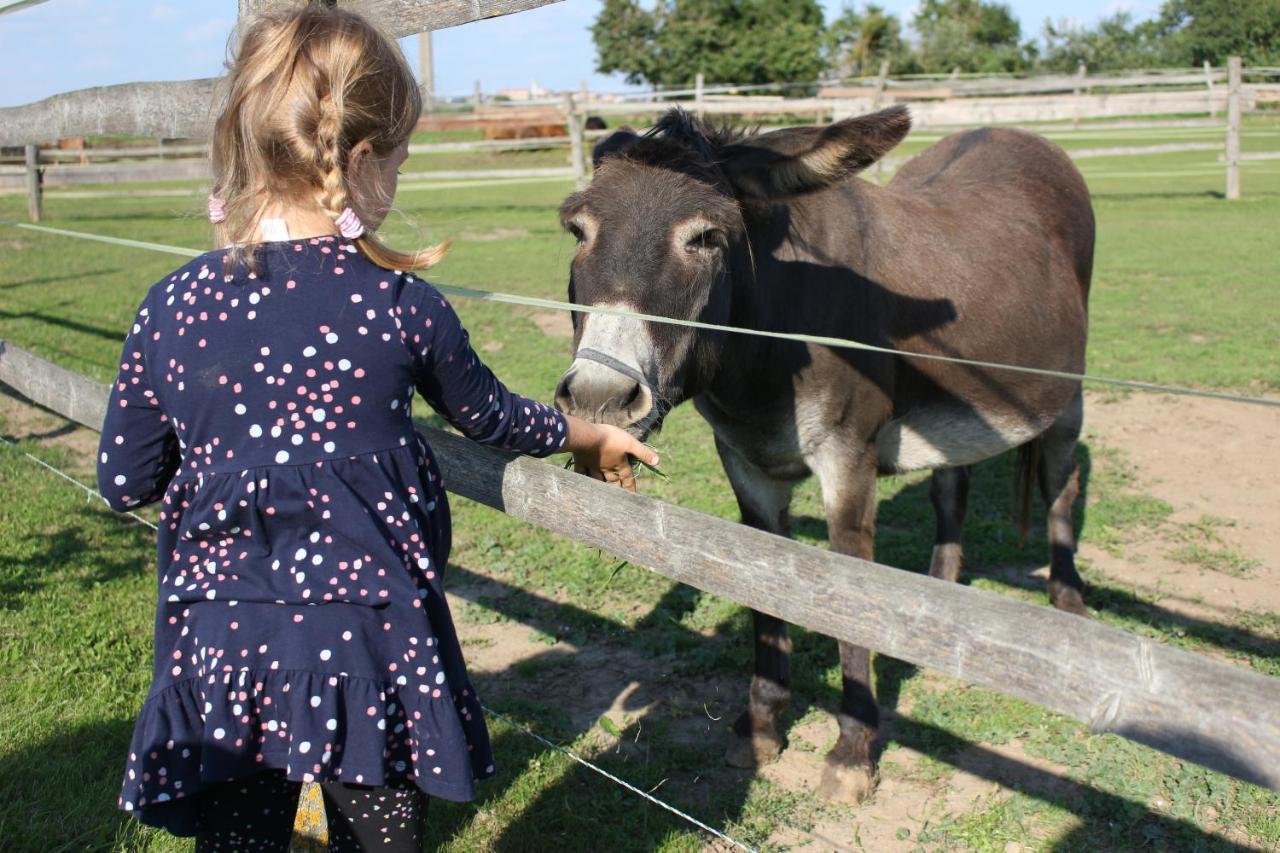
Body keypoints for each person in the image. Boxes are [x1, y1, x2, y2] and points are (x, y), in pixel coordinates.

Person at [95, 4, 656, 849]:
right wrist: (587, 433)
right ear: (361, 162)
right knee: (378, 834)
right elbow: (494, 415)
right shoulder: (398, 304)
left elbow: (123, 479)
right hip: (369, 647)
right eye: (399, 159)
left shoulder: (173, 304)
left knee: (239, 838)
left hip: (223, 644)